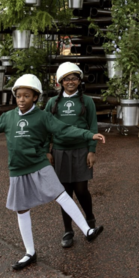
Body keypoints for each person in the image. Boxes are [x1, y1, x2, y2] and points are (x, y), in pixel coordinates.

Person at [0, 74, 105, 271]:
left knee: (62, 195)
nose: (22, 100)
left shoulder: (43, 116)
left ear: (35, 97)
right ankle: (30, 252)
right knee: (21, 210)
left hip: (39, 164)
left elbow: (64, 129)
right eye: (19, 96)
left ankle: (87, 230)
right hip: (18, 168)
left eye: (27, 96)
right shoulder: (8, 117)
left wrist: (89, 135)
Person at [45, 62, 99, 249]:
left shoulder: (88, 101)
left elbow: (92, 126)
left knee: (81, 189)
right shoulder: (53, 103)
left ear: (79, 80)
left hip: (81, 150)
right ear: (60, 81)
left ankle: (89, 219)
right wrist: (47, 150)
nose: (71, 81)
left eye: (74, 78)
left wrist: (92, 150)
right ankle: (68, 230)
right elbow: (45, 128)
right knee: (64, 193)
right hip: (59, 151)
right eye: (66, 78)